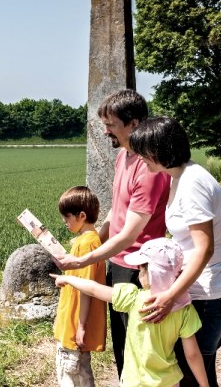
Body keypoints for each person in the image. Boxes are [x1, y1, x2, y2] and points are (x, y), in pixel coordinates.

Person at [56, 90, 170, 378]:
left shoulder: (149, 168)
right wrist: (92, 238)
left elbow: (131, 234)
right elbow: (116, 212)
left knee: (138, 351)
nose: (105, 131)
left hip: (137, 270)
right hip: (118, 264)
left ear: (134, 123)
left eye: (111, 125)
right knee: (122, 348)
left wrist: (83, 261)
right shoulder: (123, 156)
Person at [129, 116, 221, 387]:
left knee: (192, 373)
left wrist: (169, 295)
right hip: (201, 291)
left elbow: (204, 248)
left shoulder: (192, 183)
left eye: (143, 151)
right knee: (199, 371)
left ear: (160, 149)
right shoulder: (180, 176)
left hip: (210, 294)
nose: (140, 158)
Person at [52, 237, 209, 387]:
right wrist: (203, 384)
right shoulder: (184, 308)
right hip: (169, 381)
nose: (138, 273)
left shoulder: (133, 299)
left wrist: (67, 279)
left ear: (151, 272)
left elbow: (94, 289)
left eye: (140, 268)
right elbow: (192, 354)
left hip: (135, 381)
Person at [53, 186, 107, 387]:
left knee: (74, 378)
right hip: (72, 324)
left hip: (75, 326)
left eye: (67, 217)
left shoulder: (86, 244)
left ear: (81, 215)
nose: (64, 222)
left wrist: (81, 327)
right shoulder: (88, 241)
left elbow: (86, 287)